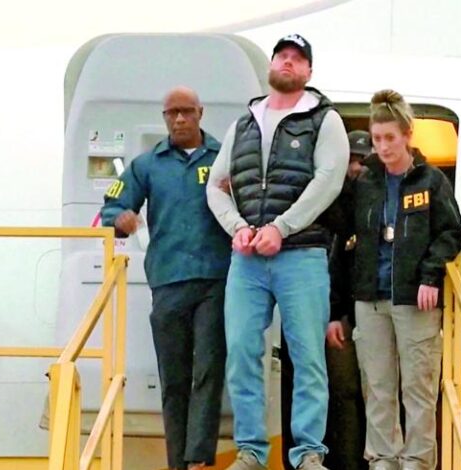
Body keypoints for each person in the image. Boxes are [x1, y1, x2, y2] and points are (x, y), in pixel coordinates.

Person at [207, 34, 349, 470]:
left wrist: (281, 227)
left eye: (297, 59)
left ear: (309, 71)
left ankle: (308, 452)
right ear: (271, 64)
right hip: (247, 259)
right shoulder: (243, 124)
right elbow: (216, 185)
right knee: (241, 352)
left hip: (302, 255)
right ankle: (251, 450)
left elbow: (329, 180)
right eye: (282, 55)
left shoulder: (325, 120)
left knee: (307, 356)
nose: (288, 62)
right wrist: (237, 228)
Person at [100, 86, 230, 470]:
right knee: (173, 379)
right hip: (168, 281)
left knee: (208, 370)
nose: (179, 119)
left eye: (186, 111)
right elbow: (112, 208)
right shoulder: (147, 165)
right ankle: (178, 462)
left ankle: (199, 458)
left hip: (215, 279)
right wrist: (121, 219)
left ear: (201, 113)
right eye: (172, 113)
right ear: (164, 117)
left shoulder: (224, 159)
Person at [351, 90, 461, 470]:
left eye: (390, 137)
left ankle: (417, 460)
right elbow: (345, 232)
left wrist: (430, 275)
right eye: (377, 138)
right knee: (377, 385)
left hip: (414, 298)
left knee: (418, 385)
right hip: (370, 297)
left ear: (406, 135)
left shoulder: (430, 181)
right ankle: (383, 459)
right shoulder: (365, 182)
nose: (383, 146)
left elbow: (451, 232)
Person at [281, 130, 372, 470]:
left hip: (373, 312)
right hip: (340, 315)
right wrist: (335, 313)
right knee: (342, 393)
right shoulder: (330, 206)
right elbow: (335, 262)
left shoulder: (380, 199)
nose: (357, 167)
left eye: (363, 160)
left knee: (376, 396)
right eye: (352, 160)